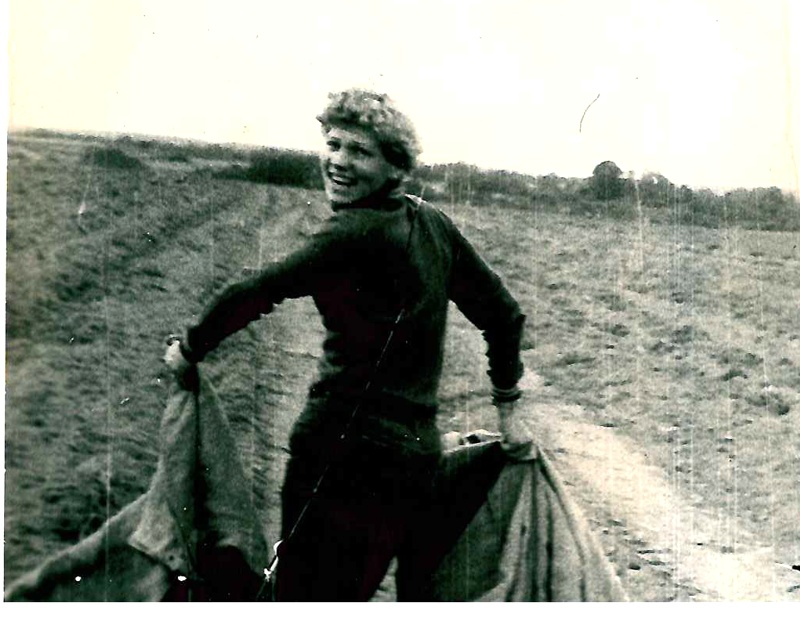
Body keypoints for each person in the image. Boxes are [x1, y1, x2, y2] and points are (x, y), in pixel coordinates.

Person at [163, 88, 535, 601]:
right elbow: (504, 316)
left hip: (341, 457)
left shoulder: (352, 231)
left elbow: (258, 290)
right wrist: (509, 411)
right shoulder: (431, 222)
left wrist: (188, 349)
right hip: (413, 462)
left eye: (359, 151)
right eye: (334, 144)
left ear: (394, 166)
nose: (338, 161)